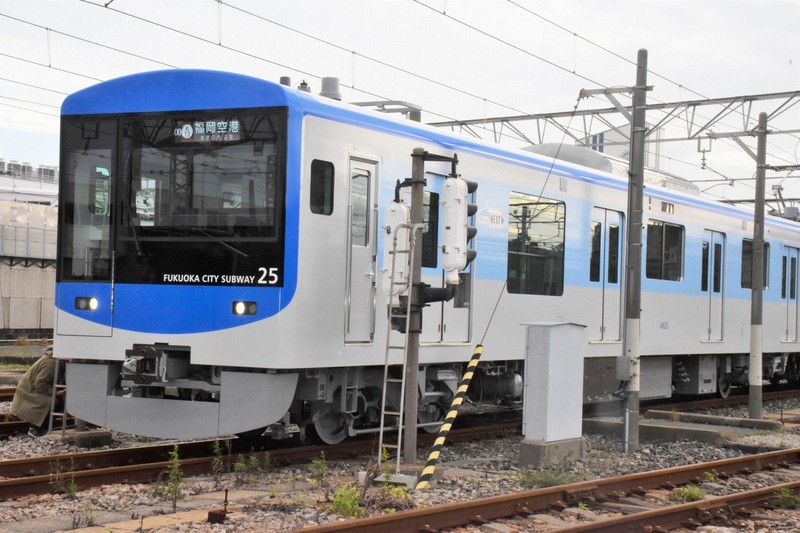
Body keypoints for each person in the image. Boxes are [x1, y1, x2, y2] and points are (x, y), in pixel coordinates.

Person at [10, 346, 61, 438]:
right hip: (30, 392)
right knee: (55, 401)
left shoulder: (52, 360)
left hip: (31, 390)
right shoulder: (52, 363)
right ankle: (35, 428)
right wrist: (56, 392)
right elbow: (40, 385)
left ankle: (44, 427)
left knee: (59, 400)